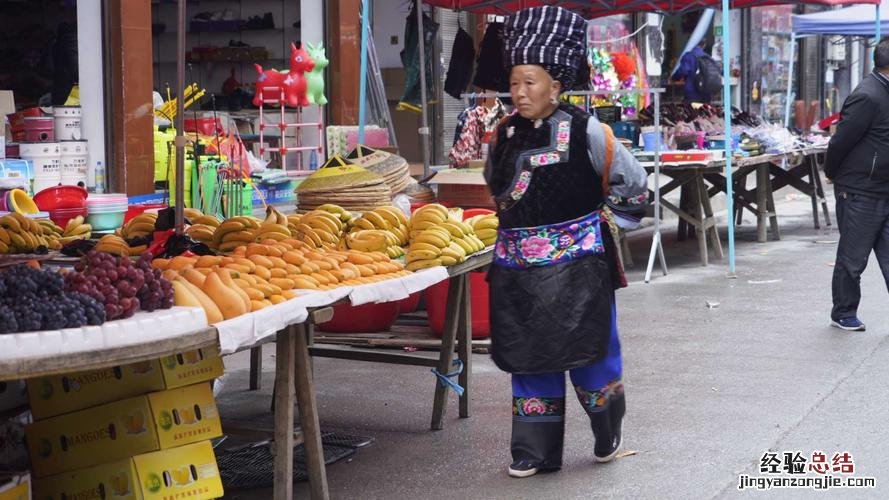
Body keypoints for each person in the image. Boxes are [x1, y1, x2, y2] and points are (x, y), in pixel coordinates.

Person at [483, 6, 648, 479]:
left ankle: (606, 432)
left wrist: (604, 229)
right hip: (518, 274)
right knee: (529, 357)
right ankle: (534, 451)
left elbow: (634, 188)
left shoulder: (589, 131)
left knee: (592, 356)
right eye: (514, 82)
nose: (519, 92)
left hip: (579, 275)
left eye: (530, 81)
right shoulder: (501, 136)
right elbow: (499, 193)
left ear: (555, 85)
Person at [824, 37, 889, 332]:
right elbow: (841, 140)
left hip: (883, 186)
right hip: (860, 188)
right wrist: (831, 171)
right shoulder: (868, 95)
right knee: (853, 256)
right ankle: (843, 312)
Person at [673, 39, 712, 104]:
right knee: (704, 113)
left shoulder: (688, 56)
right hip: (706, 93)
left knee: (691, 112)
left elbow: (684, 71)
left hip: (692, 92)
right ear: (704, 45)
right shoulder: (708, 58)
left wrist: (674, 78)